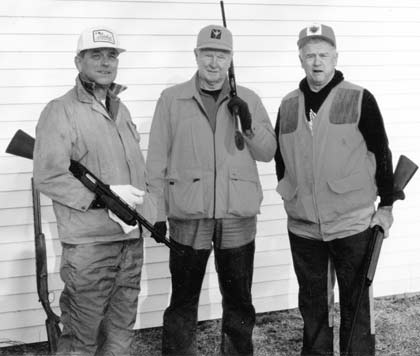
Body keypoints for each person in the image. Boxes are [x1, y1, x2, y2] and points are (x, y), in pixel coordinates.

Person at [146, 24, 276, 356]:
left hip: (237, 216)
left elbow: (268, 152)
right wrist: (156, 213)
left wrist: (247, 124)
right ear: (196, 56)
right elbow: (156, 161)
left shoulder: (250, 99)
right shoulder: (171, 99)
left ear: (231, 59)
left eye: (221, 55)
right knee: (183, 300)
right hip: (190, 216)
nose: (214, 63)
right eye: (208, 54)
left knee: (239, 300)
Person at [274, 23, 394, 356]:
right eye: (309, 54)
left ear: (335, 57)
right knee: (313, 308)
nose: (317, 62)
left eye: (323, 55)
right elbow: (281, 159)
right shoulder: (287, 104)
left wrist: (386, 206)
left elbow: (381, 152)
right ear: (300, 59)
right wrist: (289, 195)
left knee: (356, 309)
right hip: (304, 227)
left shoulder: (358, 97)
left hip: (352, 223)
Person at [33, 26, 146, 356]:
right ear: (78, 61)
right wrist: (102, 200)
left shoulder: (120, 109)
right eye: (96, 54)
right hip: (89, 248)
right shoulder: (60, 110)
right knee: (82, 340)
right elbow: (48, 175)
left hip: (129, 239)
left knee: (121, 333)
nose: (106, 62)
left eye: (111, 55)